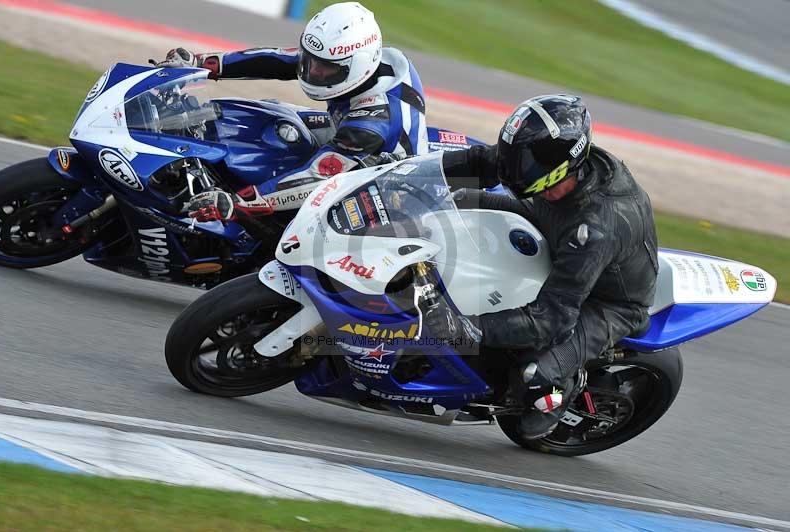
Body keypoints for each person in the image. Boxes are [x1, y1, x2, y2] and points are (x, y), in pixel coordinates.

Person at [429, 94, 659, 440]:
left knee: (531, 376)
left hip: (609, 303)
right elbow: (479, 162)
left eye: (531, 168)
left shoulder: (595, 228)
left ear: (568, 166)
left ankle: (558, 395)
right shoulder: (543, 163)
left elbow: (552, 318)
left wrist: (466, 329)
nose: (520, 170)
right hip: (552, 226)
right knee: (459, 201)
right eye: (520, 160)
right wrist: (410, 174)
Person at [155, 2, 428, 222]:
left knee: (292, 222)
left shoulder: (371, 123)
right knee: (268, 115)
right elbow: (278, 59)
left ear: (358, 66)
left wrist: (238, 203)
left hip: (385, 192)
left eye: (325, 68)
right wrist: (202, 64)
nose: (313, 72)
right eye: (311, 61)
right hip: (346, 136)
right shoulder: (357, 60)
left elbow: (318, 177)